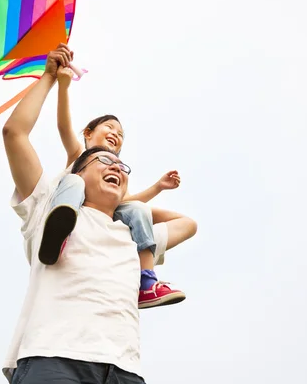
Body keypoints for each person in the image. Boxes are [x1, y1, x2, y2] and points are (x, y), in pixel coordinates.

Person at [1, 44, 196, 383]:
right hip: (54, 359)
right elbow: (15, 133)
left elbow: (188, 224)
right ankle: (56, 237)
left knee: (135, 210)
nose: (115, 163)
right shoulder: (55, 194)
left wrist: (135, 203)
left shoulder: (130, 235)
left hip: (123, 370)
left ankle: (146, 283)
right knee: (79, 191)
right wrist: (54, 79)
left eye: (121, 164)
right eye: (105, 160)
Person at [38, 57, 197, 309]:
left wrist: (157, 188)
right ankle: (59, 231)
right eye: (109, 127)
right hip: (78, 209)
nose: (115, 134)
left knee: (138, 210)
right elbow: (63, 124)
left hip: (106, 213)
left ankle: (146, 282)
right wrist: (64, 86)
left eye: (120, 134)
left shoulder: (116, 174)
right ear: (89, 133)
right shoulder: (79, 154)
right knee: (74, 183)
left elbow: (125, 204)